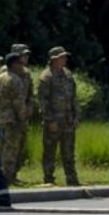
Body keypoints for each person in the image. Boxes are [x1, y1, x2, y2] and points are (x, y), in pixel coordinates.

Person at [38, 46, 80, 186]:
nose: (65, 59)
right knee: (50, 151)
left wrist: (76, 116)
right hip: (54, 121)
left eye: (65, 57)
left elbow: (74, 97)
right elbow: (43, 101)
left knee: (69, 152)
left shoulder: (68, 74)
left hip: (68, 120)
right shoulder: (46, 77)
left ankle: (72, 179)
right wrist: (50, 120)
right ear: (54, 59)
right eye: (62, 57)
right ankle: (48, 178)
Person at [0, 51, 33, 185]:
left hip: (1, 119)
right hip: (12, 121)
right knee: (11, 152)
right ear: (13, 64)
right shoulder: (15, 80)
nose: (22, 65)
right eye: (20, 62)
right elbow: (18, 104)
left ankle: (3, 178)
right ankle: (8, 179)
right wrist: (23, 118)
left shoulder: (0, 78)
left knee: (2, 150)